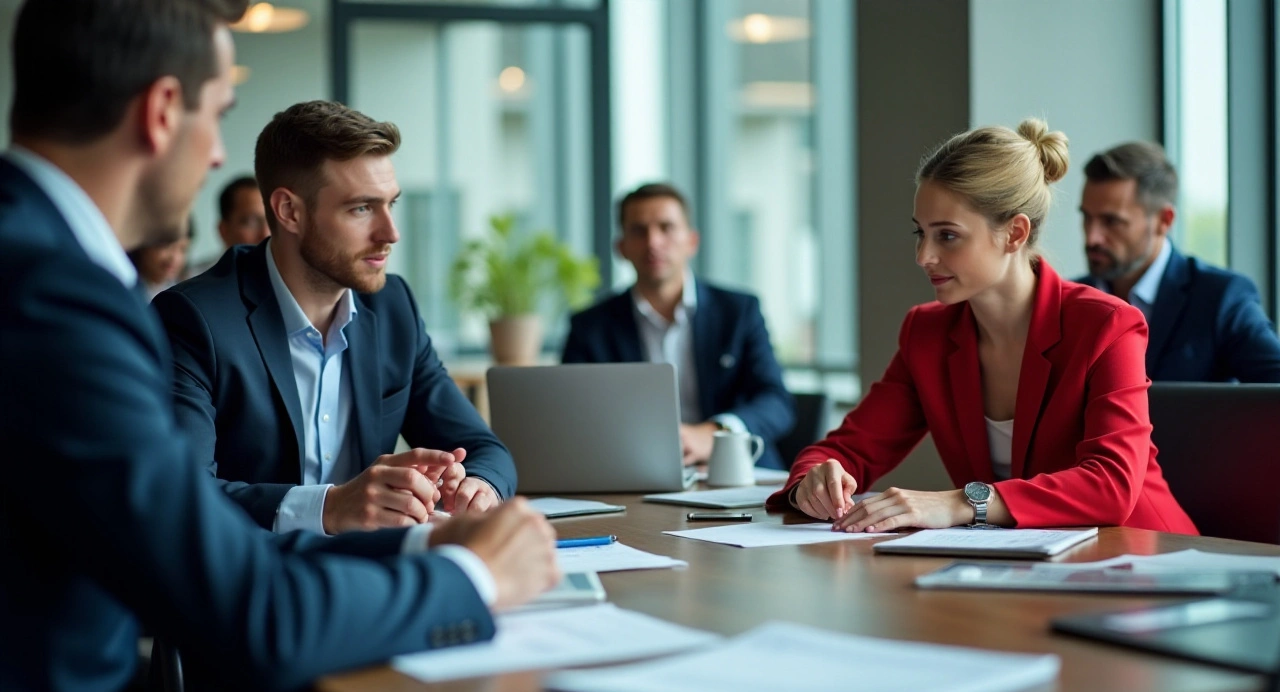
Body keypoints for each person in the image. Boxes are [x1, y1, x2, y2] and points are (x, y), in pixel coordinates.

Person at [0, 3, 558, 692]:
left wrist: (427, 546)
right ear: (164, 111)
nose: (213, 156)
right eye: (220, 111)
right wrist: (471, 578)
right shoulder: (56, 298)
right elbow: (243, 601)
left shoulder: (39, 266)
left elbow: (211, 558)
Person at [767, 120, 1197, 535]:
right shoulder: (927, 333)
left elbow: (1111, 486)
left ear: (1013, 233)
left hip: (1145, 563)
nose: (923, 256)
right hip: (1025, 570)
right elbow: (847, 448)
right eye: (921, 233)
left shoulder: (1107, 325)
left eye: (947, 236)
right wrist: (816, 480)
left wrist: (958, 503)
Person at [153, 100, 516, 534]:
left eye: (390, 204)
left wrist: (476, 487)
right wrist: (329, 507)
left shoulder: (393, 306)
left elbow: (483, 449)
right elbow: (183, 495)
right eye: (361, 208)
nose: (390, 233)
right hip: (253, 577)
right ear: (289, 211)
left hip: (376, 569)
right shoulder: (194, 319)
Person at [561, 182, 795, 469]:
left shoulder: (738, 311)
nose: (653, 242)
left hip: (734, 471)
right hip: (630, 475)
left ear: (691, 241)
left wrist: (715, 433)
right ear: (620, 247)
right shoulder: (590, 326)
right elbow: (572, 417)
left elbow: (776, 402)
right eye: (638, 230)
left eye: (666, 227)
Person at [1075, 142, 1280, 381]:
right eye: (1087, 218)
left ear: (1165, 220)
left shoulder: (1220, 299)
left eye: (1111, 221)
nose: (1092, 237)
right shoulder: (1066, 303)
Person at [186, 174, 270, 277]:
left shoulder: (288, 280)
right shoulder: (192, 283)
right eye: (251, 222)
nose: (266, 234)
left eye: (272, 222)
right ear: (224, 230)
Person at [131, 215, 193, 299]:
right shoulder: (126, 289)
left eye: (183, 249)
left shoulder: (184, 293)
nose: (175, 258)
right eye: (166, 246)